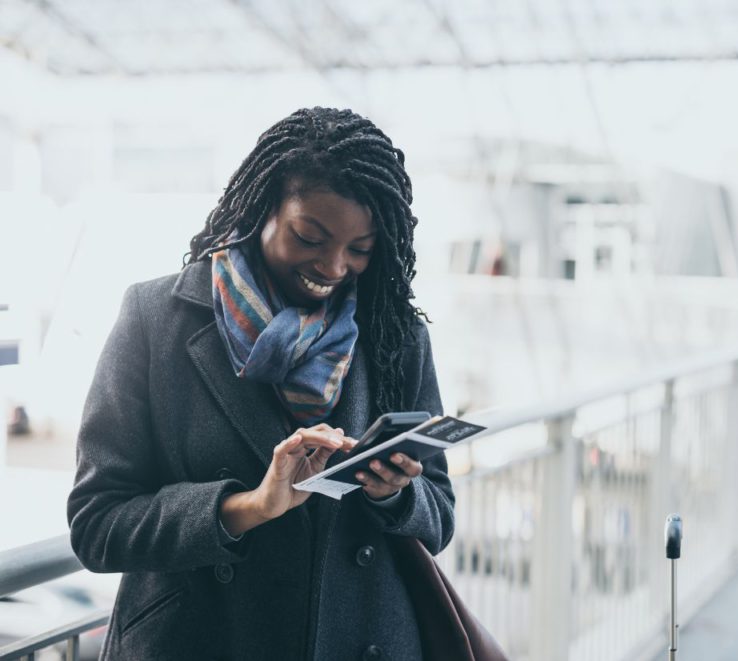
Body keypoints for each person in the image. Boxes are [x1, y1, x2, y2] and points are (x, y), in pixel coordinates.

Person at [67, 107, 454, 661]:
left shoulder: (395, 337)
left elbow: (439, 517)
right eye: (309, 237)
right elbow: (96, 523)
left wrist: (393, 493)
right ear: (261, 209)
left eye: (359, 249)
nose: (334, 266)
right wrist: (248, 506)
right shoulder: (156, 319)